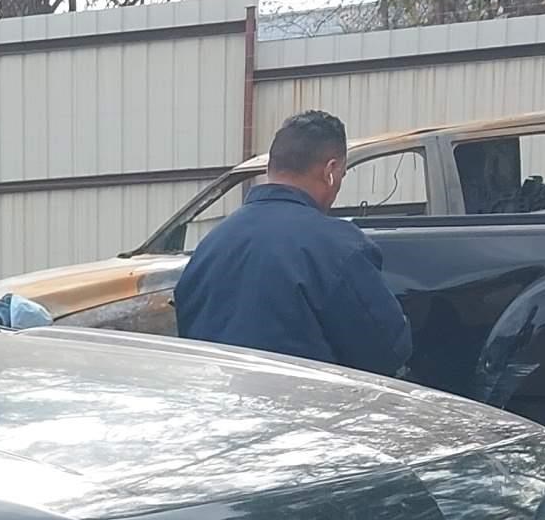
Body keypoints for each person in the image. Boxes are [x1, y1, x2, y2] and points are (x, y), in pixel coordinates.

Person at [173, 110, 413, 377]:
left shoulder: (211, 244)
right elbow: (386, 350)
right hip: (305, 410)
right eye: (342, 175)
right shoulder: (338, 247)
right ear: (330, 171)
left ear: (268, 168)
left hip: (227, 408)